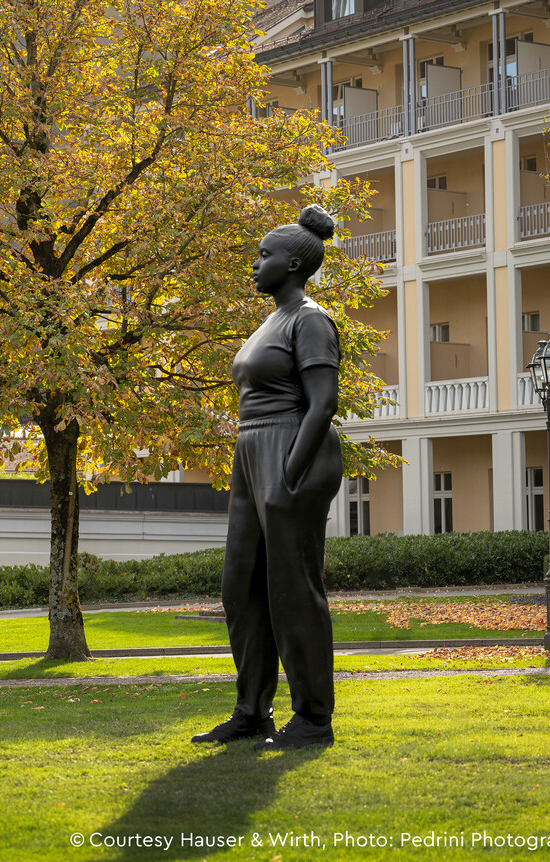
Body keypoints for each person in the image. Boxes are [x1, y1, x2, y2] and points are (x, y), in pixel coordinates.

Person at [192, 204, 342, 751]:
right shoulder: (272, 321)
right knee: (241, 586)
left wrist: (289, 473)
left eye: (263, 255)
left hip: (291, 447)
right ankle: (252, 711)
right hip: (251, 449)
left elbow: (322, 404)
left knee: (292, 589)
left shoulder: (311, 320)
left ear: (294, 264)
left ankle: (313, 718)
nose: (254, 265)